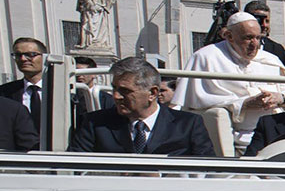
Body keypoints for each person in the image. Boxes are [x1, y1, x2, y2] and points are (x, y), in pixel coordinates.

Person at [173, 11, 285, 148]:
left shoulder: (270, 59)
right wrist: (244, 104)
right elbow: (196, 105)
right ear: (229, 36)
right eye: (248, 38)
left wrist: (280, 98)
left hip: (274, 135)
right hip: (237, 136)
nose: (255, 44)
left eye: (258, 38)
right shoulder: (206, 57)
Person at [69, 57, 214, 156]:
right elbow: (74, 168)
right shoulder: (96, 124)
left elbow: (208, 171)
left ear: (152, 93)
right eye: (114, 89)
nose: (116, 96)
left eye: (125, 91)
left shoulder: (188, 125)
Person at [0, 37, 47, 131]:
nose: (23, 59)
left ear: (45, 57)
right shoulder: (3, 92)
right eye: (18, 55)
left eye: (30, 54)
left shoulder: (63, 89)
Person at [244, 0, 285, 74]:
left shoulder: (276, 49)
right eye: (260, 20)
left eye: (267, 21)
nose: (264, 25)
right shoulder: (234, 43)